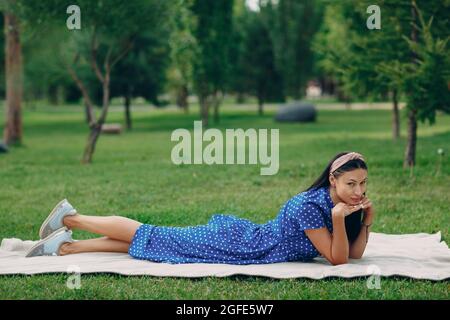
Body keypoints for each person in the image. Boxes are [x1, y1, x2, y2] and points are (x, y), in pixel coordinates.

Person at [26, 151, 375, 266]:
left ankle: (67, 245)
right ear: (333, 179)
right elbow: (337, 259)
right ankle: (71, 217)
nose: (358, 191)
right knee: (152, 233)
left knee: (155, 245)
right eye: (350, 184)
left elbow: (354, 255)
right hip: (240, 244)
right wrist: (337, 221)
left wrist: (366, 222)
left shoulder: (342, 207)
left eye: (362, 184)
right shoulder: (309, 206)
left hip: (249, 243)